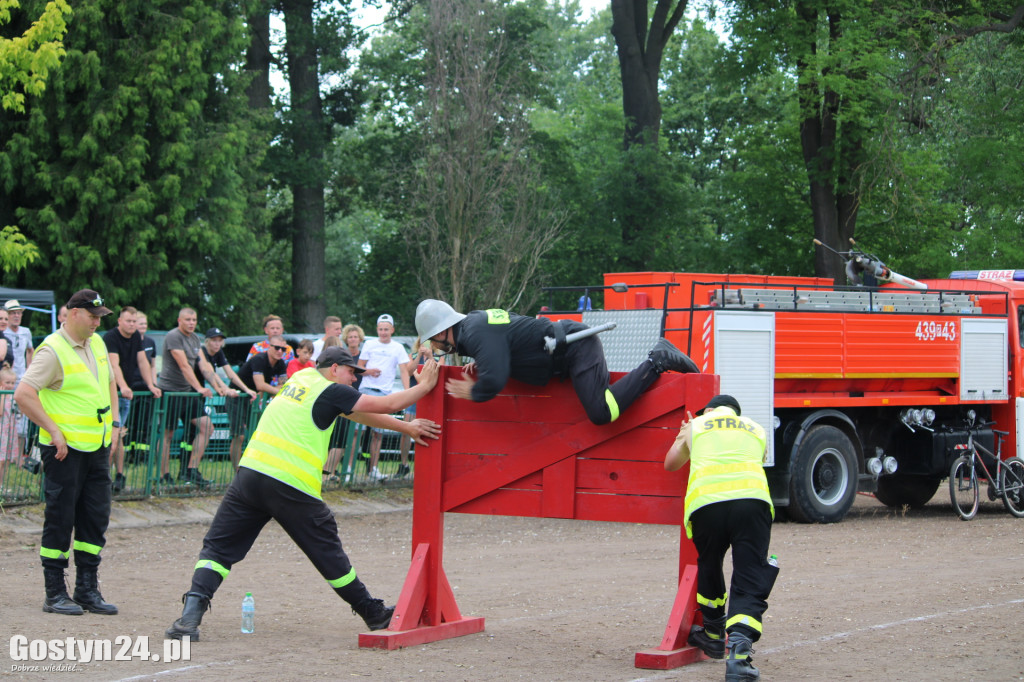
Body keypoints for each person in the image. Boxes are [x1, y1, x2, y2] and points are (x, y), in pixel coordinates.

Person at [164, 347, 443, 641]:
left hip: (250, 476)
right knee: (327, 553)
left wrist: (405, 427)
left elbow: (359, 414)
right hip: (291, 483)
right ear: (334, 369)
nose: (354, 380)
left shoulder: (300, 380)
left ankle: (188, 620)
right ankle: (372, 613)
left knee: (218, 549)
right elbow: (386, 404)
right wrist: (423, 386)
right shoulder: (332, 390)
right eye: (352, 373)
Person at [414, 300, 699, 426]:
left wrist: (476, 390)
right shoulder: (475, 324)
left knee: (601, 412)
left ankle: (656, 360)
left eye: (433, 341)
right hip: (565, 349)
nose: (436, 347)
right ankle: (656, 359)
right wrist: (483, 361)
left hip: (575, 346)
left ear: (440, 332)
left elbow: (497, 376)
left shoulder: (474, 331)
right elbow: (508, 341)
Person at [14, 289, 120, 616]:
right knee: (60, 518)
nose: (96, 322)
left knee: (94, 518)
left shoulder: (97, 343)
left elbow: (110, 383)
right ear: (73, 313)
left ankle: (87, 589)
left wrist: (115, 424)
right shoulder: (52, 350)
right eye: (92, 316)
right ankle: (55, 592)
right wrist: (54, 430)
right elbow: (24, 393)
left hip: (97, 447)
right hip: (64, 451)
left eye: (99, 317)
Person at [663, 395, 777, 682]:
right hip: (752, 504)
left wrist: (684, 435)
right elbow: (758, 460)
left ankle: (713, 633)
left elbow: (671, 464)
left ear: (711, 410)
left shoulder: (698, 425)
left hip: (707, 505)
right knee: (749, 574)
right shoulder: (754, 428)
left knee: (710, 563)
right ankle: (738, 655)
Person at [103, 306, 162, 492]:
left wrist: (151, 384)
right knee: (112, 436)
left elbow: (143, 361)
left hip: (124, 395)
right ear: (119, 321)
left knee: (118, 435)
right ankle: (104, 476)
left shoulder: (136, 336)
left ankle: (118, 475)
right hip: (110, 391)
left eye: (134, 321)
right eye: (128, 321)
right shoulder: (110, 337)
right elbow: (114, 364)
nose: (131, 325)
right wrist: (123, 386)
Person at [157, 308, 215, 487]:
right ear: (179, 320)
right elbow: (183, 365)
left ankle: (191, 470)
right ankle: (163, 475)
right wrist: (198, 388)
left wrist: (221, 387)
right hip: (171, 391)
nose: (191, 323)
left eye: (194, 320)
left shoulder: (195, 338)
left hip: (187, 392)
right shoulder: (174, 336)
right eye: (188, 319)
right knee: (168, 434)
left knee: (207, 427)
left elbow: (204, 366)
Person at [358, 314, 411, 481]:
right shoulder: (369, 344)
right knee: (358, 432)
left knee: (378, 433)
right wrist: (369, 371)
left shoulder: (398, 348)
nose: (383, 332)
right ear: (377, 330)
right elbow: (359, 367)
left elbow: (404, 371)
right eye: (380, 329)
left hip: (384, 394)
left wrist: (407, 392)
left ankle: (373, 468)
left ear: (392, 330)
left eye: (386, 329)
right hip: (366, 390)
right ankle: (350, 468)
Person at [199, 327, 258, 470]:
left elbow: (230, 372)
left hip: (205, 391)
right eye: (214, 340)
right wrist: (225, 389)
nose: (217, 344)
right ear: (207, 341)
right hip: (195, 389)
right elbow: (210, 372)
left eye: (219, 341)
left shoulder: (219, 353)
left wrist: (245, 389)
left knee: (243, 434)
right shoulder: (202, 351)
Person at [396, 337, 437, 479]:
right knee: (406, 428)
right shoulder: (412, 356)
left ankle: (427, 464)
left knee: (429, 430)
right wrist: (419, 355)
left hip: (431, 400)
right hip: (414, 398)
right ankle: (404, 463)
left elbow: (437, 371)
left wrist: (430, 356)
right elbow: (410, 372)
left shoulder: (438, 357)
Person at [247, 314, 294, 386]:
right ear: (266, 330)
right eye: (272, 328)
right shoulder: (257, 347)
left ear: (282, 330)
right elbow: (250, 369)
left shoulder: (288, 349)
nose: (275, 331)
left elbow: (291, 370)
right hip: (260, 386)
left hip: (281, 386)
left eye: (278, 328)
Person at [0, 367, 17, 494]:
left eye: (13, 383)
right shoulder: (2, 396)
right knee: (0, 460)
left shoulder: (12, 396)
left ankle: (1, 484)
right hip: (1, 431)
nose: (10, 385)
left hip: (10, 429)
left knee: (5, 460)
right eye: (7, 382)